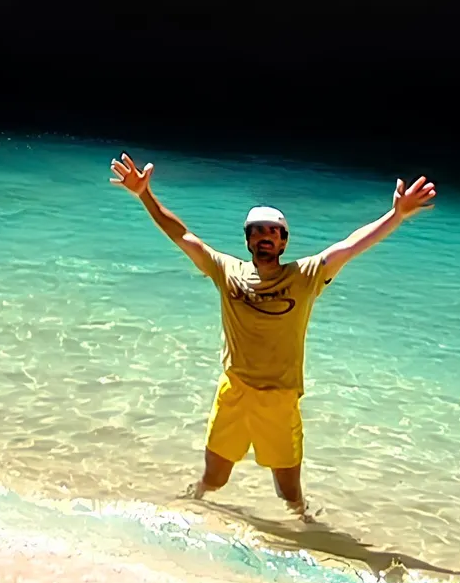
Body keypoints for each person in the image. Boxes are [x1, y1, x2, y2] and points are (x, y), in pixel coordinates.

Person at [111, 153, 436, 519]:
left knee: (288, 491)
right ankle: (188, 509)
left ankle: (303, 528)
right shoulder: (226, 271)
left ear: (284, 243)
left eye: (272, 232)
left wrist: (397, 215)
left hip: (280, 400)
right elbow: (182, 235)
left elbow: (352, 245)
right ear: (248, 241)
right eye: (256, 232)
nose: (264, 237)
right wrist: (144, 195)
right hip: (234, 393)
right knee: (214, 479)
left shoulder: (306, 275)